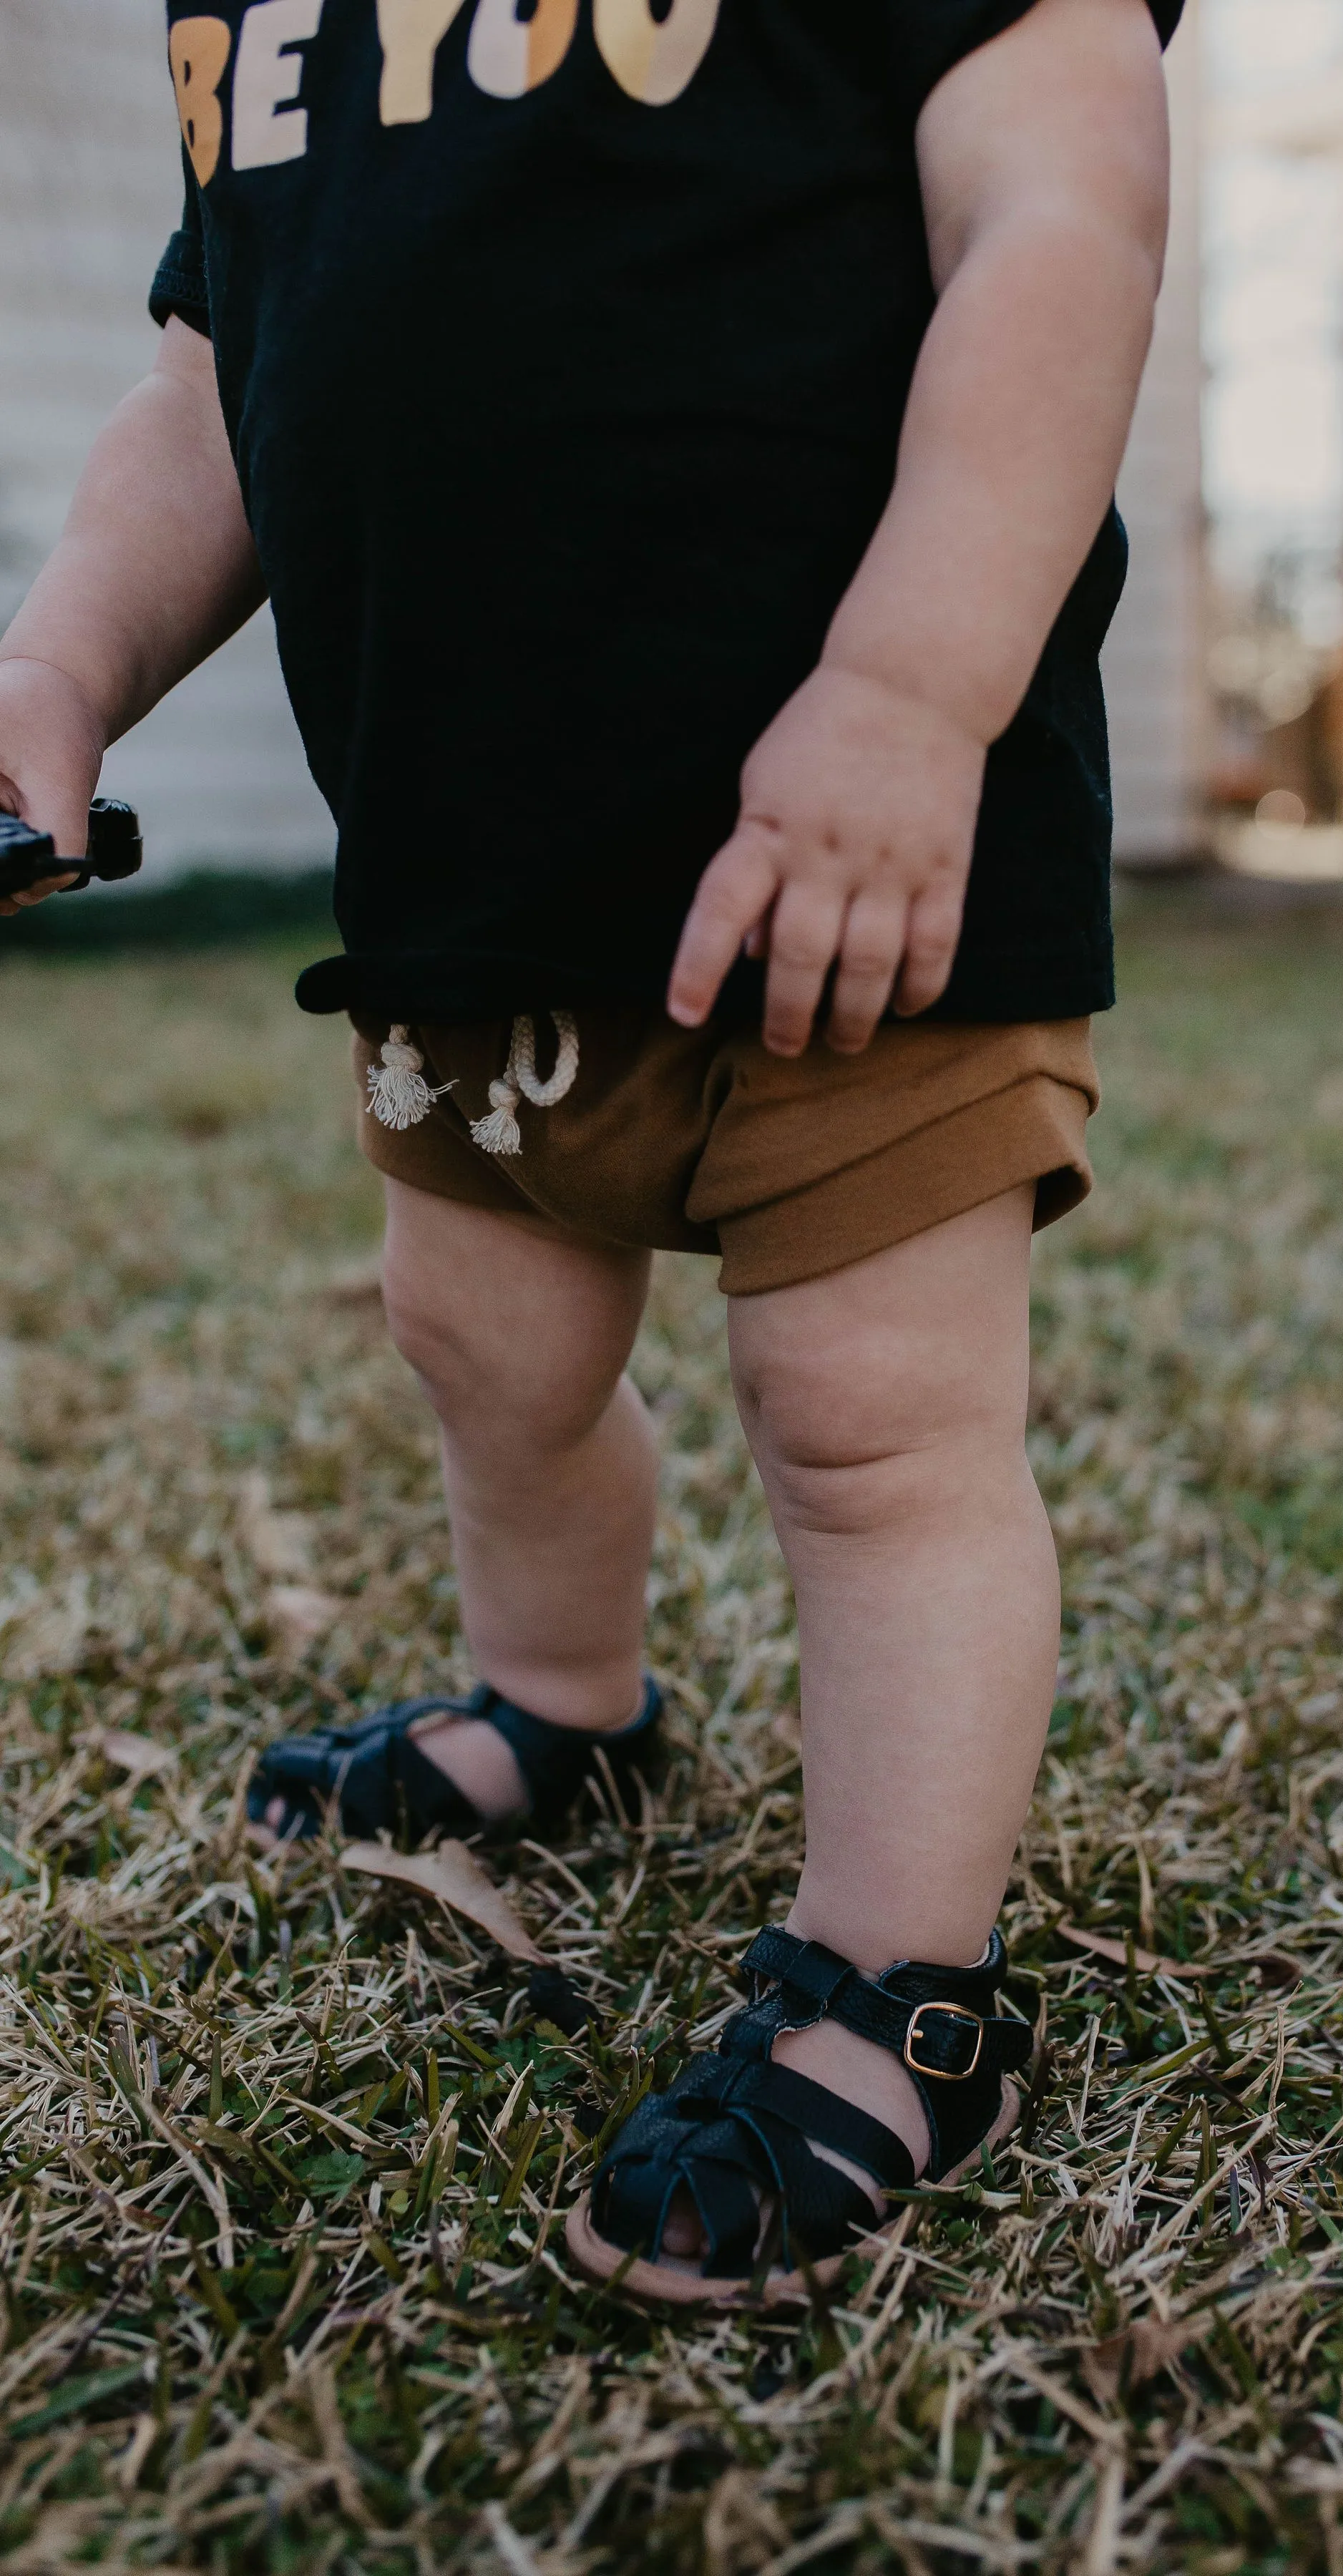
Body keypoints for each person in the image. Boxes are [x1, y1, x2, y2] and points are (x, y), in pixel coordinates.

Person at [0, 0, 1176, 2303]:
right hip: (475, 878)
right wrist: (57, 665)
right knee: (484, 1341)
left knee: (870, 1427)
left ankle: (894, 1982)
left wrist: (915, 690)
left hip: (861, 869)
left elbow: (1066, 222)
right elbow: (215, 390)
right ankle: (562, 1698)